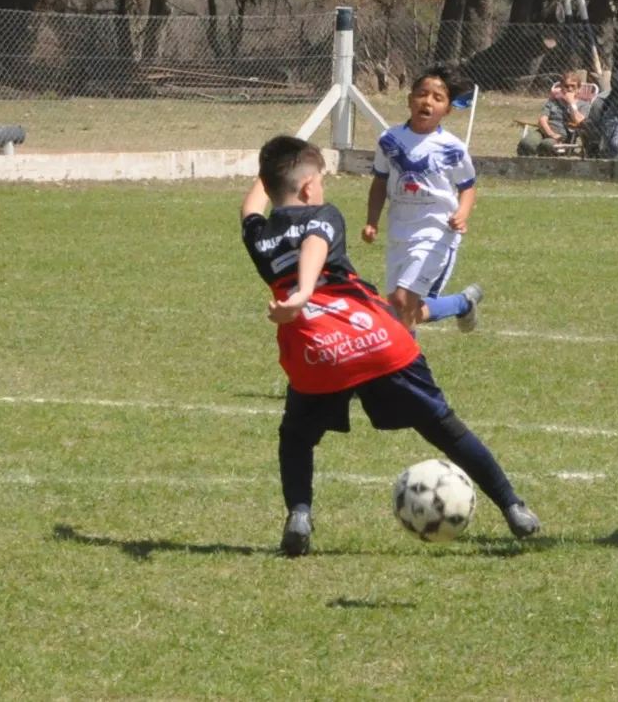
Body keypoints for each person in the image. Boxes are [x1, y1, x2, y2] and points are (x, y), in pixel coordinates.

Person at [240, 136, 541, 556]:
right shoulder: (323, 214)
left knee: (296, 438)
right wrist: (307, 289)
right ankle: (513, 506)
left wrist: (269, 168)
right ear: (309, 187)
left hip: (316, 350)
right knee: (445, 428)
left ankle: (300, 514)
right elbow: (314, 245)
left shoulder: (257, 235)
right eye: (321, 181)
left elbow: (250, 209)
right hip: (376, 339)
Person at [364, 66, 484, 333]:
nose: (427, 102)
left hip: (436, 232)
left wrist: (462, 213)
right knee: (402, 310)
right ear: (409, 100)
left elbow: (468, 186)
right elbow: (380, 181)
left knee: (401, 299)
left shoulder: (453, 148)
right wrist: (372, 221)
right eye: (421, 94)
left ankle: (406, 370)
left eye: (437, 98)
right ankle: (461, 303)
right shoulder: (389, 140)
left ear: (448, 110)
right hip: (400, 232)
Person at [518, 70, 590, 156]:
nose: (570, 89)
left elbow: (579, 121)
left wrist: (571, 103)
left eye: (573, 86)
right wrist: (550, 133)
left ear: (578, 89)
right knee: (526, 143)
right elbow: (542, 120)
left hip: (561, 137)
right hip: (543, 132)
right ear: (561, 88)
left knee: (547, 144)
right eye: (566, 86)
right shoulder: (553, 102)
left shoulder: (584, 105)